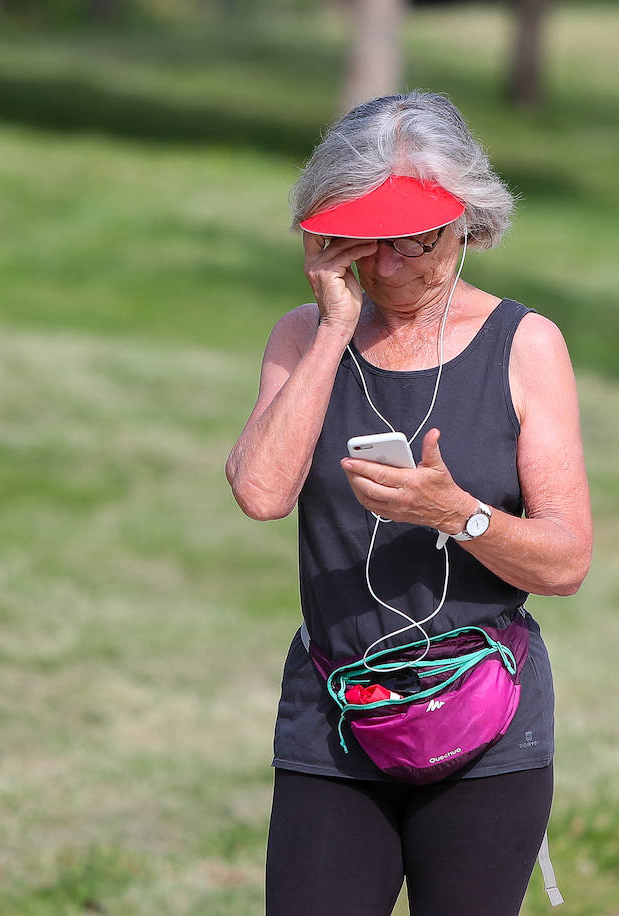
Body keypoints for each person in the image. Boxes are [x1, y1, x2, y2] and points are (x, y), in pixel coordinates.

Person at [226, 92, 592, 916]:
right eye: (366, 242)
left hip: (484, 721)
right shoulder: (303, 335)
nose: (388, 266)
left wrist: (456, 512)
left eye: (414, 240)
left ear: (465, 219)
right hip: (336, 714)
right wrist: (331, 328)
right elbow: (260, 492)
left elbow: (567, 560)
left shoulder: (526, 345)